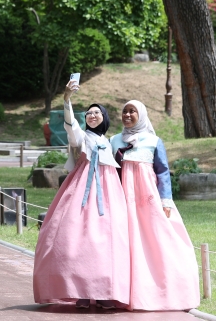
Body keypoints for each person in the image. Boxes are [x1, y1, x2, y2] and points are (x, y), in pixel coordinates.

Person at [33, 80, 130, 310]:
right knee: (77, 237)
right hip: (82, 187)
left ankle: (106, 291)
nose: (92, 115)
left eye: (97, 113)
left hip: (108, 191)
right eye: (89, 113)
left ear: (104, 118)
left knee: (108, 239)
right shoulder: (81, 136)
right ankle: (81, 291)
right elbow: (71, 127)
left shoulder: (109, 141)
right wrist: (67, 99)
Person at [109, 100, 200, 311]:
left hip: (147, 201)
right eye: (125, 111)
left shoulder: (153, 140)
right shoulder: (113, 141)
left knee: (155, 240)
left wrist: (165, 200)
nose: (128, 115)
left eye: (132, 111)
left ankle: (161, 290)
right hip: (122, 199)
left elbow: (162, 172)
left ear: (141, 114)